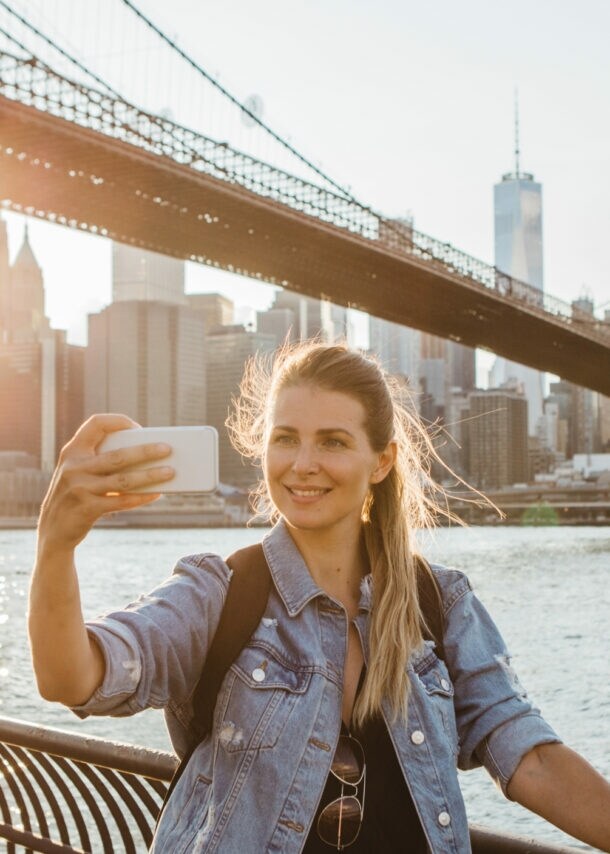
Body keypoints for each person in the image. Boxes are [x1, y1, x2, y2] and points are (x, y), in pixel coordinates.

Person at [29, 342, 610, 853]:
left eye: (332, 441)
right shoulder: (220, 593)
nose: (303, 465)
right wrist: (56, 547)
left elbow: (530, 758)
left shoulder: (441, 604)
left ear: (381, 461)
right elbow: (73, 676)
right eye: (286, 439)